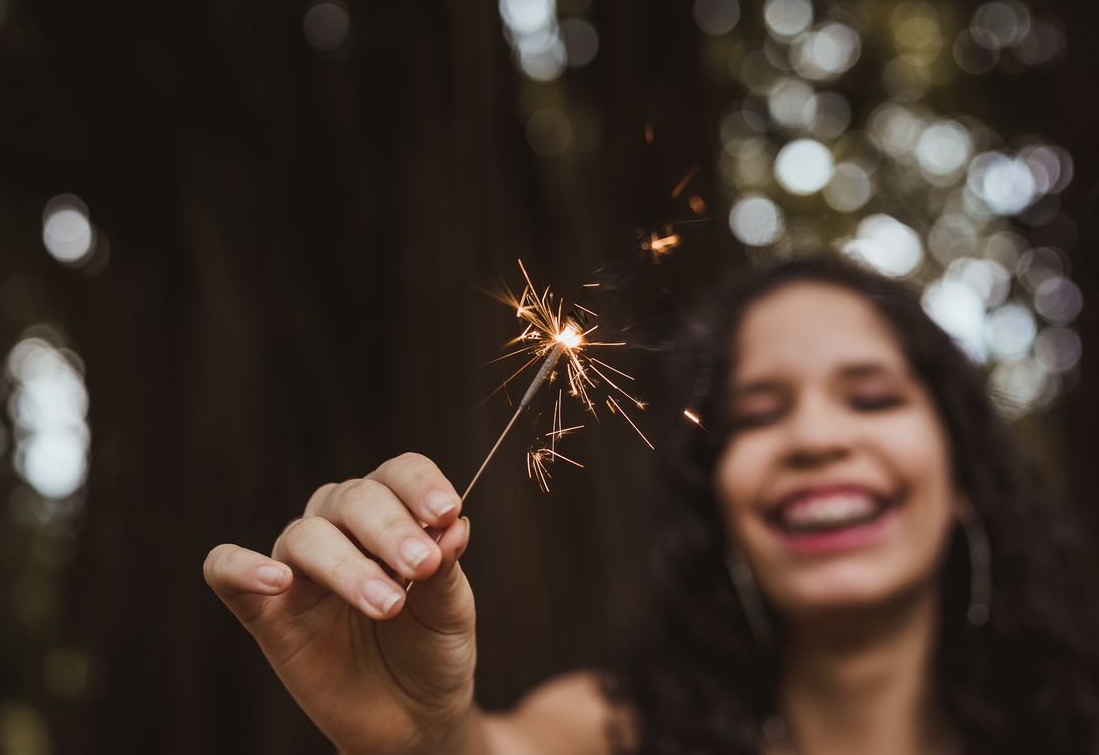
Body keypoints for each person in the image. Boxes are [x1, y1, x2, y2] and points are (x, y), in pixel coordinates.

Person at [203, 255, 1099, 754]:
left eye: (871, 396)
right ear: (714, 503)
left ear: (968, 476)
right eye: (755, 412)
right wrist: (427, 743)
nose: (816, 438)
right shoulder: (612, 735)